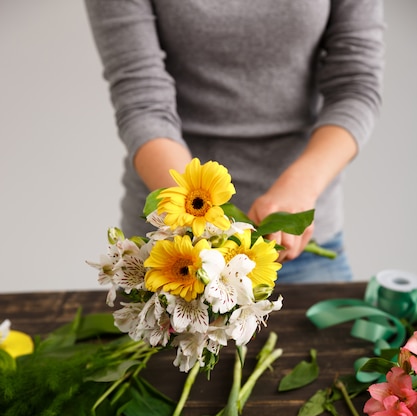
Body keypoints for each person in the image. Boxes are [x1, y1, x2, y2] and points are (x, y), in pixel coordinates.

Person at [84, 0, 385, 283]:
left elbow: (355, 85)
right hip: (177, 246)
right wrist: (201, 225)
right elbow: (141, 101)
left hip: (298, 248)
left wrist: (298, 189)